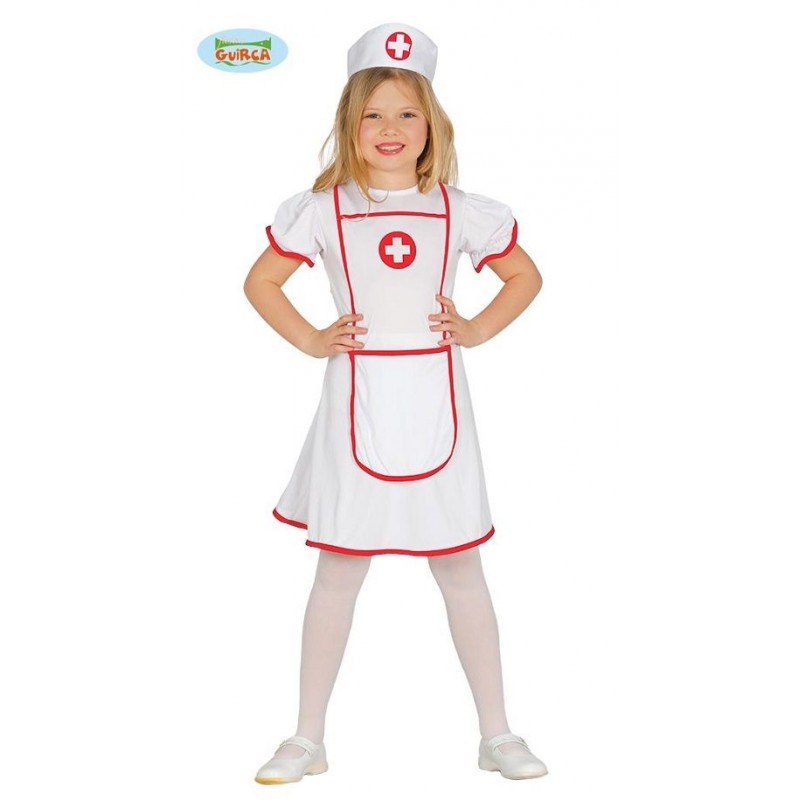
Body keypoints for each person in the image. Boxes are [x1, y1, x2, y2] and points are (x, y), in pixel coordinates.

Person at [244, 22, 546, 783]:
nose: (390, 128)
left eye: (407, 113)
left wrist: (476, 328)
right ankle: (307, 738)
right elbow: (262, 282)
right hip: (357, 400)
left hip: (438, 401)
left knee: (460, 564)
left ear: (431, 126)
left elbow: (524, 276)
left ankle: (498, 733)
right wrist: (313, 339)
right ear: (349, 123)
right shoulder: (322, 209)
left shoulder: (461, 209)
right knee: (339, 568)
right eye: (373, 113)